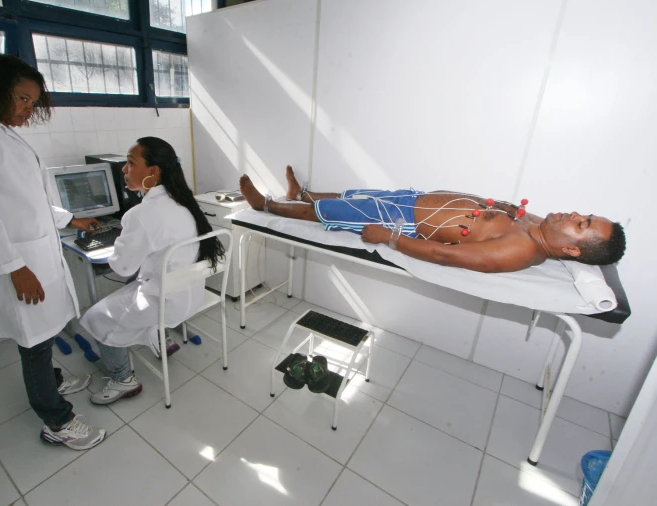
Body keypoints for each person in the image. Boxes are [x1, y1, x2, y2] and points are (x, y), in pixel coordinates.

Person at [0, 54, 105, 451]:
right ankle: (56, 419)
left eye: (33, 101)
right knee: (34, 340)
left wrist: (68, 220)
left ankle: (54, 380)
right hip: (16, 259)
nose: (29, 109)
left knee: (44, 332)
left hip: (36, 254)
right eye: (22, 99)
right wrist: (14, 267)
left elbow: (24, 200)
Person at [238, 167, 626, 273]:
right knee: (349, 196)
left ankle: (268, 206)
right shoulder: (538, 224)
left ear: (572, 249)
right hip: (412, 199)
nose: (574, 215)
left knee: (333, 213)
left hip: (403, 221)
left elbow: (447, 257)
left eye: (580, 224)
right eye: (584, 215)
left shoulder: (522, 250)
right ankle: (300, 194)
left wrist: (389, 238)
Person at [80, 137, 225, 405]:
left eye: (130, 162)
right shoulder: (184, 203)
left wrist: (121, 242)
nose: (124, 169)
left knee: (97, 317)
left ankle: (124, 380)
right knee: (137, 286)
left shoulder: (140, 215)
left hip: (165, 305)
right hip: (191, 296)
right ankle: (162, 340)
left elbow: (122, 266)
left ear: (153, 171)